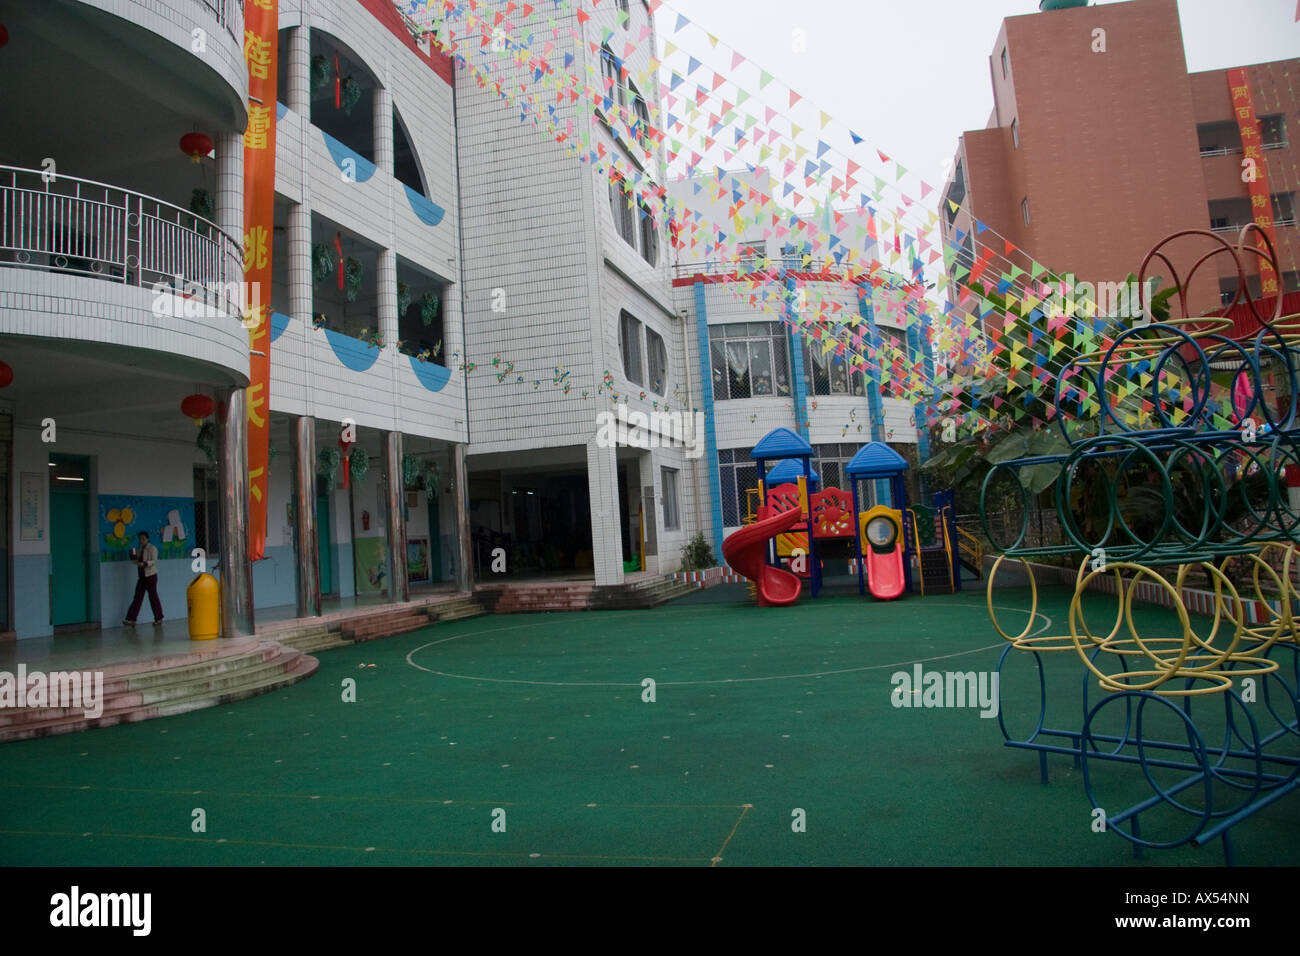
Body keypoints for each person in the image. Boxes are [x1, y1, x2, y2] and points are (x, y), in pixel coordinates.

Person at [123, 531, 163, 626]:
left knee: (153, 597)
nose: (141, 541)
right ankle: (131, 619)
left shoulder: (152, 548)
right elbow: (137, 561)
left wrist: (145, 563)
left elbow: (154, 561)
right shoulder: (140, 549)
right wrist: (133, 558)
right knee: (137, 597)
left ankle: (159, 618)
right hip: (141, 576)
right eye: (140, 539)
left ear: (147, 539)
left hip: (151, 576)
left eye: (143, 539)